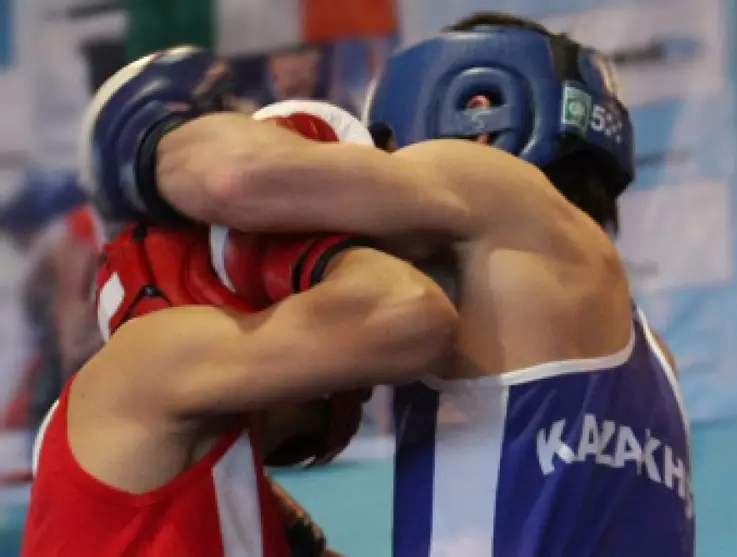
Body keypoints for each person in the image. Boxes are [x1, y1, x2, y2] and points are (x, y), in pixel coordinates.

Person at [83, 13, 694, 556]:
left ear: (481, 117)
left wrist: (154, 131)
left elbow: (237, 177)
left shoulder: (494, 185)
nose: (381, 163)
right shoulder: (653, 365)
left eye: (389, 148)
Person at [23, 53, 459, 556]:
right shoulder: (155, 358)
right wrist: (300, 251)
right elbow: (409, 314)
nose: (355, 385)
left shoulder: (214, 466)